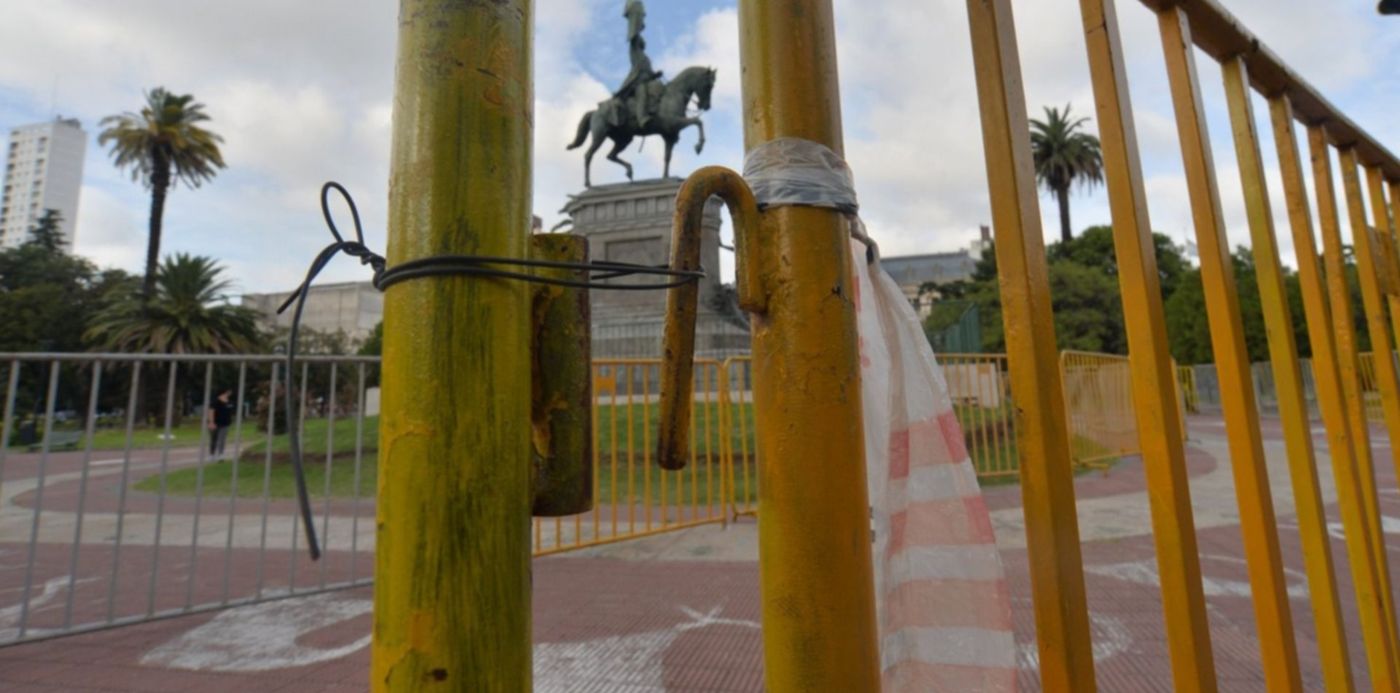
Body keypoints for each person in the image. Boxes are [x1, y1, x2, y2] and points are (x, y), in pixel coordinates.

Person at [207, 389, 235, 459]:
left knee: (222, 439)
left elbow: (230, 412)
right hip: (215, 423)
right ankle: (212, 454)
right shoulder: (215, 401)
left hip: (225, 424)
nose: (230, 393)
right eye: (228, 391)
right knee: (214, 439)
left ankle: (221, 454)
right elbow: (211, 411)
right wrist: (211, 422)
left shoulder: (230, 402)